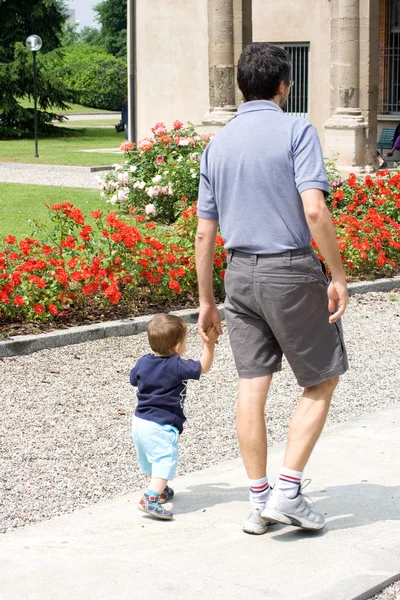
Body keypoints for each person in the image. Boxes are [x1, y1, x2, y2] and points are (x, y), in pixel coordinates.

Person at [195, 43, 349, 535]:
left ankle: (257, 501)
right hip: (290, 270)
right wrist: (339, 275)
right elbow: (314, 210)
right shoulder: (296, 128)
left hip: (238, 274)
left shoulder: (217, 144)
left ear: (242, 86)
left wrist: (205, 300)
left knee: (251, 386)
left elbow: (203, 232)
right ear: (285, 86)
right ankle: (288, 492)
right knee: (322, 378)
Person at [130, 313, 219, 520]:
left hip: (140, 421)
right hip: (160, 424)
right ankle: (149, 499)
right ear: (178, 346)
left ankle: (160, 491)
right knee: (164, 459)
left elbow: (133, 380)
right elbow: (203, 367)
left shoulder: (143, 362)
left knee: (154, 459)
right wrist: (210, 344)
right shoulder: (176, 365)